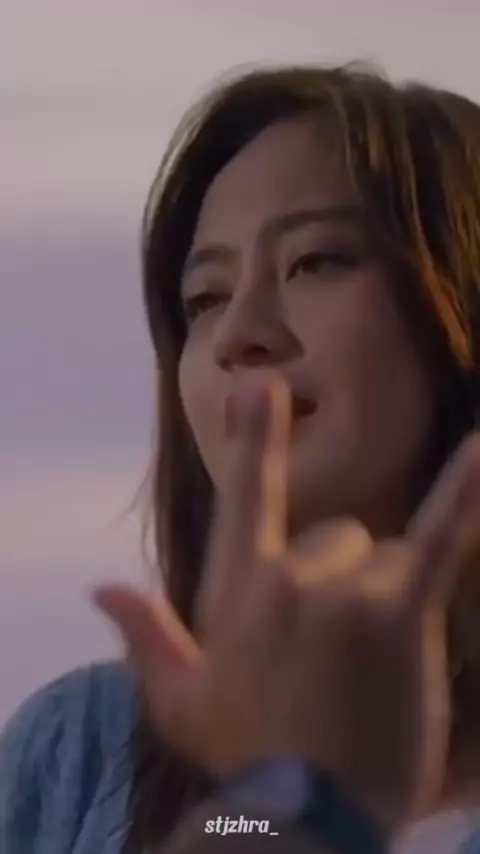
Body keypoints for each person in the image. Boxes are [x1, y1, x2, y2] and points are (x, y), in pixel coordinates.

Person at [2, 62, 480, 854]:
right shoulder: (77, 753)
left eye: (315, 261)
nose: (239, 335)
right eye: (206, 298)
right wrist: (287, 803)